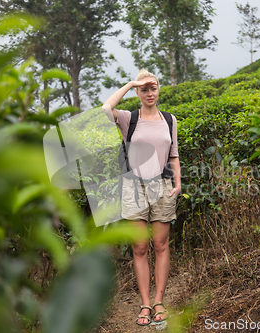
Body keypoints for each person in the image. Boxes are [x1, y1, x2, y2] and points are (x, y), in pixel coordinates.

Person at [102, 69, 181, 326]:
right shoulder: (128, 118)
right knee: (139, 247)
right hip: (134, 187)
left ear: (159, 90)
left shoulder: (170, 120)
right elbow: (106, 108)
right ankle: (145, 303)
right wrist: (130, 83)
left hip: (162, 184)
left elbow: (173, 155)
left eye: (153, 88)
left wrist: (178, 183)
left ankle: (159, 300)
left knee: (160, 244)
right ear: (137, 92)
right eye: (144, 89)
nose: (150, 93)